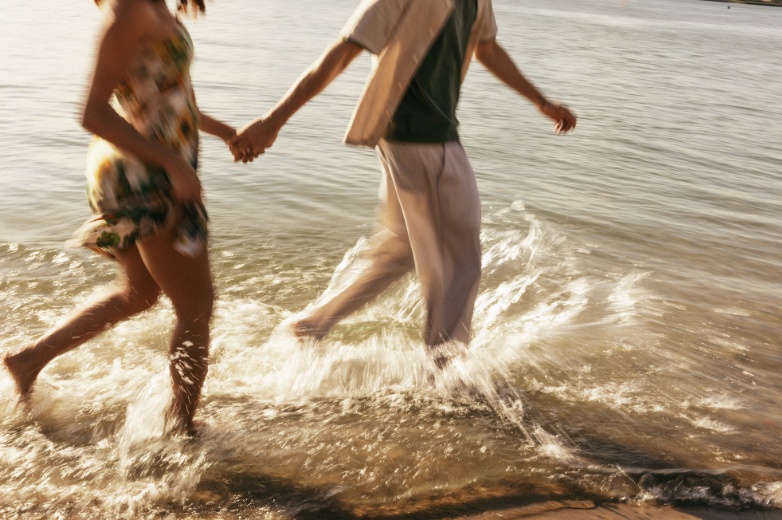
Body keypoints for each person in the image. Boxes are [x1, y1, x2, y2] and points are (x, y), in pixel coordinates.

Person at [229, 0, 576, 366]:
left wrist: (540, 101)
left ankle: (312, 326)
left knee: (403, 249)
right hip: (417, 137)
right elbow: (344, 50)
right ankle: (444, 368)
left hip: (426, 136)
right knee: (460, 257)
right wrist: (272, 121)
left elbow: (485, 46)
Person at [2, 0, 234, 433]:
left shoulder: (157, 9)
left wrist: (226, 133)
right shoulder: (130, 11)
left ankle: (29, 360)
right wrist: (172, 164)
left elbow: (171, 94)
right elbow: (93, 112)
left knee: (139, 293)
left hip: (150, 167)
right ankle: (179, 430)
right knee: (197, 304)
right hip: (141, 174)